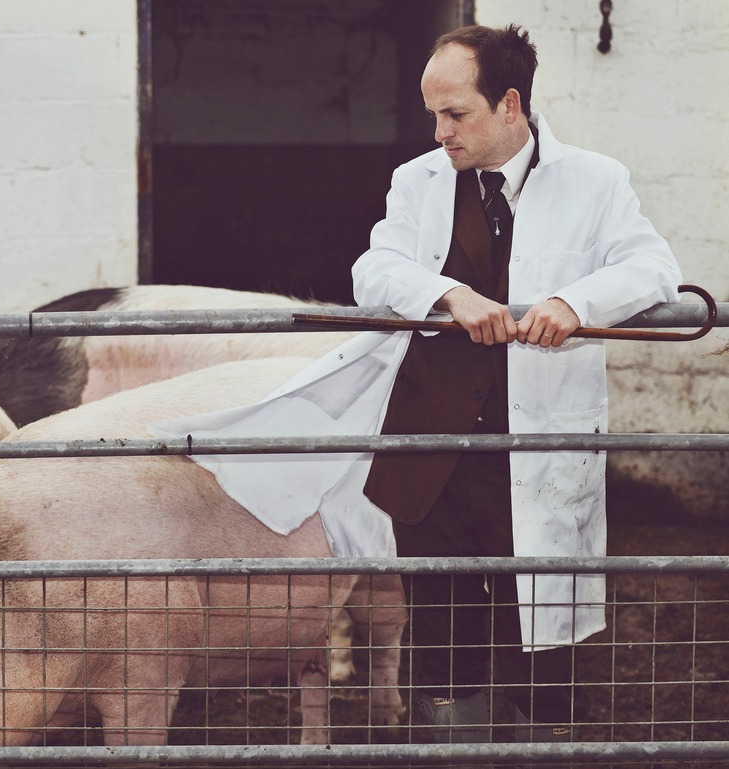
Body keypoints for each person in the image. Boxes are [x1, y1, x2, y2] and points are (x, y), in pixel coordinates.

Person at [151, 23, 681, 743]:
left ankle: (540, 746)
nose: (439, 133)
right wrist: (445, 294)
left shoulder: (596, 180)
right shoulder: (418, 180)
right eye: (432, 114)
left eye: (454, 113)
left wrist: (573, 302)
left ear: (510, 105)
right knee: (441, 617)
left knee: (538, 621)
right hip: (433, 447)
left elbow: (651, 268)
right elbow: (374, 268)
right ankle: (450, 746)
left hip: (537, 443)